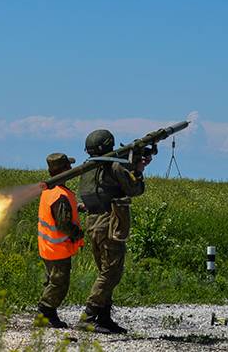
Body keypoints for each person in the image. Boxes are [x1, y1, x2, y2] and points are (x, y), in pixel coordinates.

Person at [76, 129, 150, 334]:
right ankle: (88, 316)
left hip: (93, 222)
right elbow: (134, 189)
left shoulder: (88, 168)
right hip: (110, 223)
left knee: (105, 270)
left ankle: (104, 317)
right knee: (111, 272)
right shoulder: (114, 166)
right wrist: (139, 170)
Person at [37, 153, 84, 328]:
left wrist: (77, 208)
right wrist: (78, 233)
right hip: (58, 249)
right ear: (63, 171)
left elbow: (56, 213)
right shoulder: (60, 195)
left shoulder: (50, 191)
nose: (71, 170)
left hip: (48, 248)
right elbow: (63, 224)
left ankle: (48, 313)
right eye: (68, 167)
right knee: (59, 284)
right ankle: (45, 314)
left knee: (52, 281)